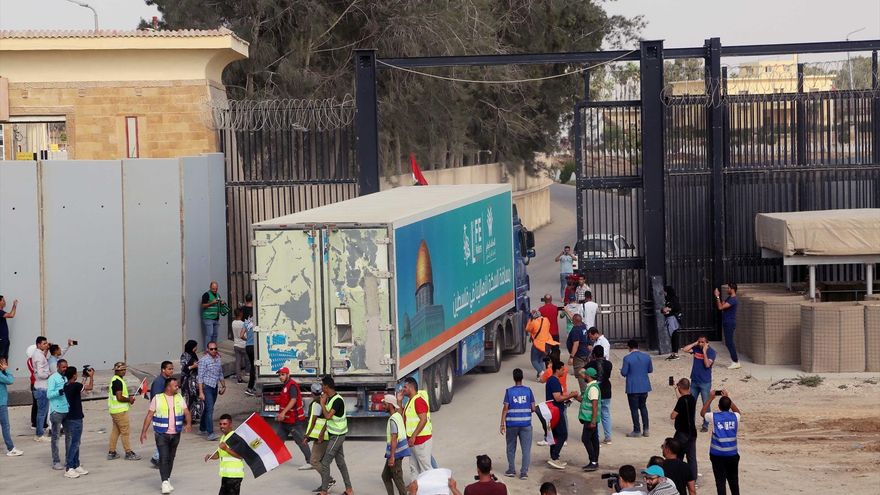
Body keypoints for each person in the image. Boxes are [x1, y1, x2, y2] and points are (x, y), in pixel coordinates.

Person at [140, 377, 192, 494]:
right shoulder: (157, 399)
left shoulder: (179, 397)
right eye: (175, 385)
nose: (177, 387)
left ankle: (167, 479)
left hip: (176, 433)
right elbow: (149, 415)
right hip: (161, 434)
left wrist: (188, 424)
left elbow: (187, 412)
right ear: (168, 387)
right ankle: (164, 482)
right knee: (163, 457)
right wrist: (143, 432)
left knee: (171, 457)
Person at [317, 375, 353, 495]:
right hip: (334, 434)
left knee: (325, 462)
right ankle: (349, 490)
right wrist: (322, 433)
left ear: (327, 387)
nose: (321, 388)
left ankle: (324, 490)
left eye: (323, 386)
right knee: (341, 463)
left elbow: (328, 416)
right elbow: (328, 420)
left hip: (338, 435)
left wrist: (322, 403)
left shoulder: (337, 400)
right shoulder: (330, 399)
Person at [701, 390, 741, 495]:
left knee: (720, 482)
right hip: (732, 455)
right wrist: (728, 399)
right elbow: (737, 411)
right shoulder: (735, 417)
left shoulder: (714, 416)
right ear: (729, 406)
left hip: (717, 455)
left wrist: (710, 398)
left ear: (719, 406)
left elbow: (702, 412)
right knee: (734, 481)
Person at [499, 368, 535, 480]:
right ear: (522, 377)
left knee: (510, 447)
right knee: (526, 450)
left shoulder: (509, 391)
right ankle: (523, 472)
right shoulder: (528, 390)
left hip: (511, 424)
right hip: (526, 424)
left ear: (514, 378)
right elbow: (533, 408)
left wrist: (502, 424)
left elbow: (505, 408)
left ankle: (511, 470)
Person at [273, 367, 312, 469]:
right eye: (279, 375)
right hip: (286, 420)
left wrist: (283, 413)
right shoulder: (286, 386)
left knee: (300, 441)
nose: (280, 377)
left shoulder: (292, 385)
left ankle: (310, 461)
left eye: (282, 375)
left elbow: (293, 400)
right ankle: (272, 461)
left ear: (288, 375)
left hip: (294, 420)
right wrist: (281, 414)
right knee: (278, 441)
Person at [546, 359, 578, 469]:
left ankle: (554, 457)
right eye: (562, 370)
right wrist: (571, 395)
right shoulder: (554, 381)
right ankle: (554, 457)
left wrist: (567, 398)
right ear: (557, 370)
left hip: (553, 410)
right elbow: (558, 398)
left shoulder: (552, 380)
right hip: (556, 411)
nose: (564, 372)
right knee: (563, 434)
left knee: (555, 435)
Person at [62, 366, 92, 478]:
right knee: (75, 443)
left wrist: (84, 377)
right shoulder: (75, 385)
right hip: (76, 418)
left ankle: (76, 464)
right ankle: (69, 467)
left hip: (69, 416)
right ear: (74, 375)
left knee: (76, 442)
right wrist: (91, 377)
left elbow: (80, 387)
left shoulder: (67, 385)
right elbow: (89, 387)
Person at [682, 335, 716, 433]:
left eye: (702, 342)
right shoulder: (696, 348)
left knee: (706, 403)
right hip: (694, 381)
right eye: (699, 342)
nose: (700, 344)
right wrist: (695, 343)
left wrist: (704, 352)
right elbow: (685, 349)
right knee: (691, 403)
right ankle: (690, 423)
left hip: (705, 382)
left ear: (707, 343)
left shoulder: (711, 352)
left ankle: (705, 424)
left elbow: (707, 364)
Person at [305, 382, 335, 491]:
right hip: (327, 435)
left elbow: (313, 421)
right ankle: (325, 484)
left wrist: (307, 436)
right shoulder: (326, 400)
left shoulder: (315, 404)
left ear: (312, 392)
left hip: (321, 437)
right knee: (321, 461)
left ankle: (329, 480)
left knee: (314, 461)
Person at [205, 414, 245, 495]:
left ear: (230, 424)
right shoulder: (223, 437)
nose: (222, 426)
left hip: (234, 476)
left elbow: (241, 456)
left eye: (224, 424)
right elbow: (220, 454)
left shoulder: (235, 437)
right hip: (226, 475)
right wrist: (211, 456)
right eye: (220, 424)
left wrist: (226, 449)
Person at [401, 376, 433, 479]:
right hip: (413, 441)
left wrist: (414, 436)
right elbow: (402, 417)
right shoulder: (410, 401)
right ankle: (415, 488)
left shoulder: (418, 401)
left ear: (411, 388)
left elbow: (423, 420)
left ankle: (432, 489)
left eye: (405, 387)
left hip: (421, 440)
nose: (402, 389)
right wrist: (399, 401)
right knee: (413, 467)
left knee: (425, 468)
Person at [107, 361, 140, 460]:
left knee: (116, 431)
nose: (124, 371)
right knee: (125, 432)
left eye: (125, 369)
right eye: (122, 370)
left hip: (114, 411)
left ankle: (112, 452)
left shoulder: (115, 379)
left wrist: (128, 398)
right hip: (120, 411)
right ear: (116, 370)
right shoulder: (118, 382)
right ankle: (128, 452)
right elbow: (119, 397)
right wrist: (129, 399)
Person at [621, 339, 653, 438]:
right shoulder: (646, 357)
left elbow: (624, 373)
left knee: (634, 409)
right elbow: (650, 370)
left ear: (629, 347)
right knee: (643, 407)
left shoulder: (627, 358)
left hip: (633, 387)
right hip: (644, 386)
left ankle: (637, 430)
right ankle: (646, 429)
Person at [381, 394, 410, 495]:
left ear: (390, 405)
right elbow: (399, 410)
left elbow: (394, 438)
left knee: (398, 479)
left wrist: (392, 457)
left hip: (396, 454)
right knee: (385, 476)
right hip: (396, 453)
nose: (383, 406)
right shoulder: (397, 415)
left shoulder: (393, 419)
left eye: (385, 404)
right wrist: (399, 400)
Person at [669, 378, 698, 480]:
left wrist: (672, 414)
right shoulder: (692, 398)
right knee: (691, 458)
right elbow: (681, 399)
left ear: (680, 387)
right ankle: (693, 478)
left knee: (678, 456)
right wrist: (675, 389)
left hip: (682, 433)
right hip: (692, 433)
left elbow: (673, 416)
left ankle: (677, 477)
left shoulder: (682, 401)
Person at [149, 361, 175, 468]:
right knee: (163, 437)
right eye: (169, 369)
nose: (171, 371)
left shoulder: (166, 381)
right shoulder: (159, 382)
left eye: (172, 369)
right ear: (163, 370)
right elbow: (156, 399)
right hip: (161, 415)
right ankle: (157, 458)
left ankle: (157, 457)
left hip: (166, 414)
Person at [198, 341, 226, 441]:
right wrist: (201, 392)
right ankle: (210, 433)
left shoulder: (218, 359)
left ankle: (202, 427)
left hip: (214, 387)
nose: (214, 351)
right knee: (210, 410)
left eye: (215, 349)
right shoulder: (203, 361)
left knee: (208, 408)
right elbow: (200, 377)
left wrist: (223, 386)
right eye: (211, 349)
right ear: (207, 350)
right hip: (207, 387)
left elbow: (220, 373)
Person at [587, 345, 613, 445]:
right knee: (606, 414)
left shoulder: (591, 364)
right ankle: (608, 436)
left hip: (596, 391)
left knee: (595, 414)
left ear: (594, 354)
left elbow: (581, 371)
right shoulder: (609, 364)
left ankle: (596, 437)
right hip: (606, 390)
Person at [576, 367, 601, 472]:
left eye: (586, 375)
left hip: (590, 419)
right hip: (590, 419)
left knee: (586, 439)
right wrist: (575, 396)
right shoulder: (591, 387)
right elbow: (585, 400)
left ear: (589, 377)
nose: (584, 376)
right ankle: (594, 461)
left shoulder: (593, 388)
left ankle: (593, 461)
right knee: (594, 439)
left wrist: (593, 421)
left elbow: (594, 406)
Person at [47, 358, 69, 470]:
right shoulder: (53, 378)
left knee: (69, 437)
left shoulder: (66, 378)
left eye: (66, 367)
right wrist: (60, 391)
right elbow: (49, 394)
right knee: (55, 437)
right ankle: (56, 461)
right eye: (63, 367)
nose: (65, 369)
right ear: (58, 367)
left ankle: (69, 460)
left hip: (67, 410)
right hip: (56, 411)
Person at [713, 283, 740, 369]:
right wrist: (718, 298)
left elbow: (721, 307)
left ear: (732, 289)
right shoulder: (729, 298)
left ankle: (735, 361)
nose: (727, 290)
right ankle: (735, 361)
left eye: (728, 288)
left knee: (729, 342)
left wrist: (717, 296)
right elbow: (720, 305)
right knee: (728, 342)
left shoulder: (733, 300)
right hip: (727, 322)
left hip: (729, 322)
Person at [526, 310, 558, 379]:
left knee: (534, 360)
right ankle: (541, 377)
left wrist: (530, 319)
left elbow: (528, 329)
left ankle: (542, 373)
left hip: (538, 344)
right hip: (547, 344)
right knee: (540, 360)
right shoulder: (546, 320)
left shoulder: (534, 322)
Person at [0, 359, 22, 456]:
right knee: (5, 426)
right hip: (1, 403)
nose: (6, 365)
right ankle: (11, 448)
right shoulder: (1, 374)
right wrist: (7, 370)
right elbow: (10, 380)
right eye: (4, 363)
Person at [31, 336, 51, 442]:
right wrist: (48, 374)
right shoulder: (38, 356)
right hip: (42, 387)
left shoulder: (38, 354)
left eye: (46, 343)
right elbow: (40, 373)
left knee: (42, 411)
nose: (46, 345)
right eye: (44, 343)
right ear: (38, 344)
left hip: (40, 386)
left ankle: (40, 432)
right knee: (42, 412)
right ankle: (39, 434)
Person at [566, 313, 590, 392]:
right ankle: (590, 392)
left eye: (572, 321)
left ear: (574, 321)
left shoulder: (576, 330)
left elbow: (576, 344)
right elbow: (575, 318)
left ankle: (585, 395)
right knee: (587, 374)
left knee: (581, 376)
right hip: (585, 354)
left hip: (578, 356)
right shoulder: (583, 326)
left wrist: (571, 357)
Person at [180, 340, 202, 422]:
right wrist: (193, 366)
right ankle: (186, 418)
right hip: (187, 382)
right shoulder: (184, 356)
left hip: (194, 381)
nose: (196, 348)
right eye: (195, 346)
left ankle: (193, 417)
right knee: (189, 399)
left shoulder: (193, 355)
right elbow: (184, 369)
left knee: (195, 399)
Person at [201, 281, 227, 346]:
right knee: (209, 334)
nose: (215, 290)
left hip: (216, 318)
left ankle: (214, 349)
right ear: (210, 287)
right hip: (208, 318)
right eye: (213, 289)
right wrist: (211, 303)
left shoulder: (218, 295)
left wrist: (222, 303)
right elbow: (203, 306)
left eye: (216, 289)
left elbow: (218, 306)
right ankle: (207, 351)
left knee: (215, 335)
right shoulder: (206, 294)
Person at [662, 286, 683, 360]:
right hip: (669, 319)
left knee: (674, 335)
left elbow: (677, 307)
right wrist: (664, 310)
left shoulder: (673, 299)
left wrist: (669, 309)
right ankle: (673, 353)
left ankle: (676, 353)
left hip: (673, 319)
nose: (664, 293)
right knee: (672, 336)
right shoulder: (668, 299)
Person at [231, 309, 248, 384]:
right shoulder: (243, 324)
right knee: (248, 360)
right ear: (241, 314)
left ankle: (239, 378)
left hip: (236, 344)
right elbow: (244, 335)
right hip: (243, 344)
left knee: (238, 362)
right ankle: (248, 373)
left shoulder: (233, 323)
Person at [0, 296, 18, 366]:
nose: (5, 302)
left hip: (4, 339)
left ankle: (4, 375)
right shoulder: (0, 312)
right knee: (2, 358)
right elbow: (11, 315)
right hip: (2, 340)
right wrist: (14, 305)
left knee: (4, 358)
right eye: (3, 300)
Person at [244, 316, 257, 396]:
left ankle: (252, 386)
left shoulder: (246, 323)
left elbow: (241, 335)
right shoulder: (257, 322)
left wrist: (248, 339)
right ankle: (250, 387)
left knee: (253, 366)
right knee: (255, 367)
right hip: (255, 346)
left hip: (248, 346)